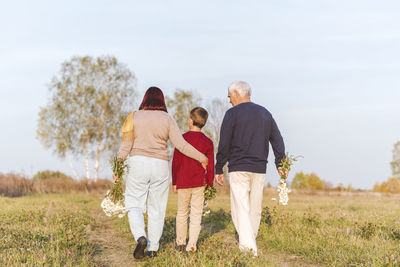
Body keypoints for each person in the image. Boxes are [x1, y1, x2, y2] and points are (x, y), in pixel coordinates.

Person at [115, 87, 208, 259]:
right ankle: (152, 248)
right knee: (157, 208)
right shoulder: (167, 118)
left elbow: (125, 146)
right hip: (160, 165)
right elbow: (181, 145)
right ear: (161, 101)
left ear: (145, 99)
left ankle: (140, 237)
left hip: (138, 164)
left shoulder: (133, 117)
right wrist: (201, 157)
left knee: (134, 204)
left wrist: (117, 167)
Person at [214, 81, 287, 256]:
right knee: (255, 207)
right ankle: (250, 240)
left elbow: (224, 143)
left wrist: (219, 168)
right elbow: (277, 139)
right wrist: (280, 163)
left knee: (241, 207)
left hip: (239, 167)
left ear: (237, 94)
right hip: (259, 167)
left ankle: (248, 249)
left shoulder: (232, 114)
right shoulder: (265, 113)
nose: (229, 100)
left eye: (230, 96)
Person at [171, 107, 214, 253]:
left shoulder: (181, 139)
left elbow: (175, 162)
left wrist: (174, 181)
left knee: (182, 213)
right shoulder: (208, 142)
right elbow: (211, 165)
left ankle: (180, 243)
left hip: (183, 182)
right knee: (196, 215)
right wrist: (209, 183)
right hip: (198, 184)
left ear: (190, 120)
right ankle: (192, 246)